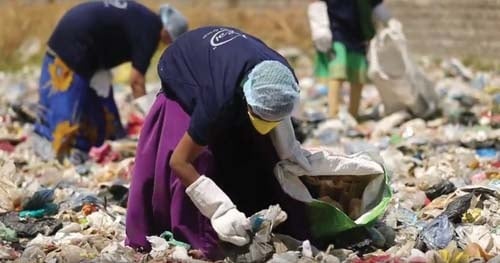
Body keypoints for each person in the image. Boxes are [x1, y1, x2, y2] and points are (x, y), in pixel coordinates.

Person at [125, 26, 313, 260]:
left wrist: (293, 156)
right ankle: (195, 237)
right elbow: (180, 162)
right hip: (183, 67)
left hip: (227, 69)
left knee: (264, 152)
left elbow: (278, 125)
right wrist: (219, 209)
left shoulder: (283, 80)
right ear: (246, 97)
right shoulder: (217, 101)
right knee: (202, 158)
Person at [33, 1, 188, 161]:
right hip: (74, 44)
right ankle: (54, 151)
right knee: (65, 107)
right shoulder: (150, 31)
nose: (167, 44)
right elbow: (136, 80)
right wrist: (148, 115)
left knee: (103, 110)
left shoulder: (146, 20)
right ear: (167, 31)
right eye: (170, 40)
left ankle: (92, 147)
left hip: (88, 48)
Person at [308, 0, 392, 118]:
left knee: (358, 76)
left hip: (359, 35)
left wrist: (389, 22)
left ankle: (353, 114)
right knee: (337, 72)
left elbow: (377, 5)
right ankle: (333, 114)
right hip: (336, 32)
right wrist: (320, 29)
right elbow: (317, 4)